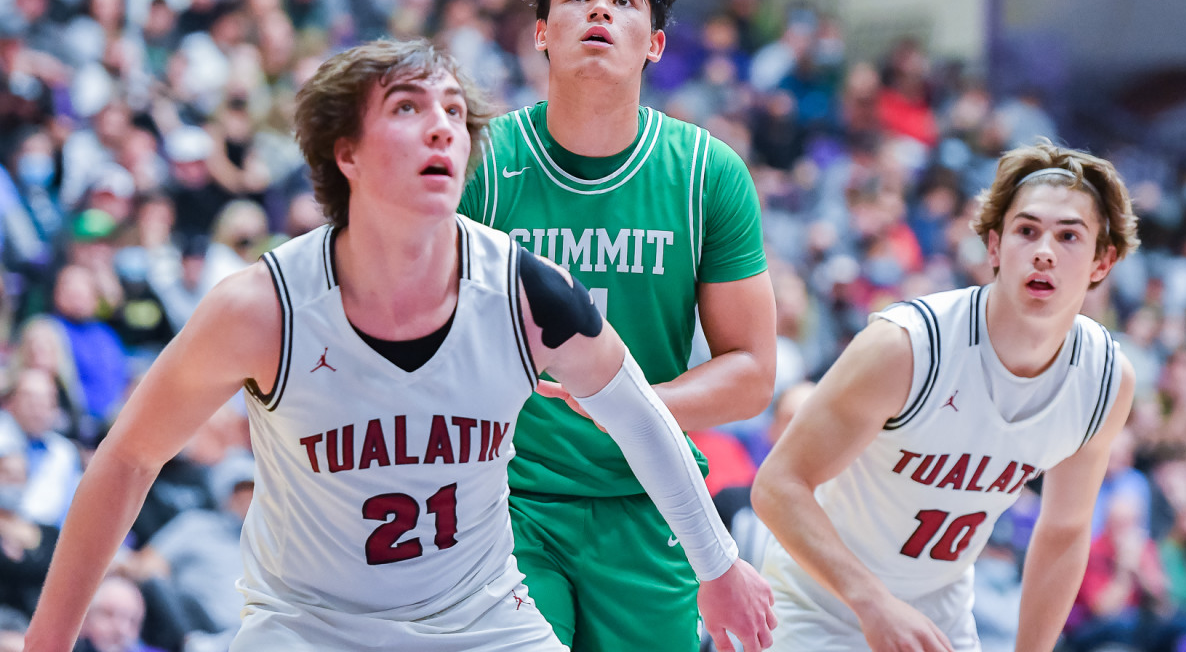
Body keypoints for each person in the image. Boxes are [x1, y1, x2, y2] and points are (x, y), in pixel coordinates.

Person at [26, 38, 774, 652]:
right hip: (308, 627)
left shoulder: (526, 292)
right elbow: (127, 458)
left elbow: (639, 414)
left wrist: (719, 564)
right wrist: (46, 645)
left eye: (454, 110)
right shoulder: (264, 308)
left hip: (481, 623)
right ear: (344, 152)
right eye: (409, 108)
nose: (443, 126)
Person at [459, 0, 777, 652]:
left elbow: (754, 373)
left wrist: (628, 408)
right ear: (540, 31)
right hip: (510, 500)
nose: (599, 8)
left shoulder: (707, 175)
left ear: (656, 44)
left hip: (649, 499)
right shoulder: (483, 165)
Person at [752, 141, 1141, 651]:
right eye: (1027, 230)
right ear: (995, 247)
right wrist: (872, 602)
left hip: (939, 610)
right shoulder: (908, 346)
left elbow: (1064, 532)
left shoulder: (1105, 380)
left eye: (1069, 235)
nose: (1044, 250)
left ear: (1102, 260)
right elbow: (778, 486)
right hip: (820, 601)